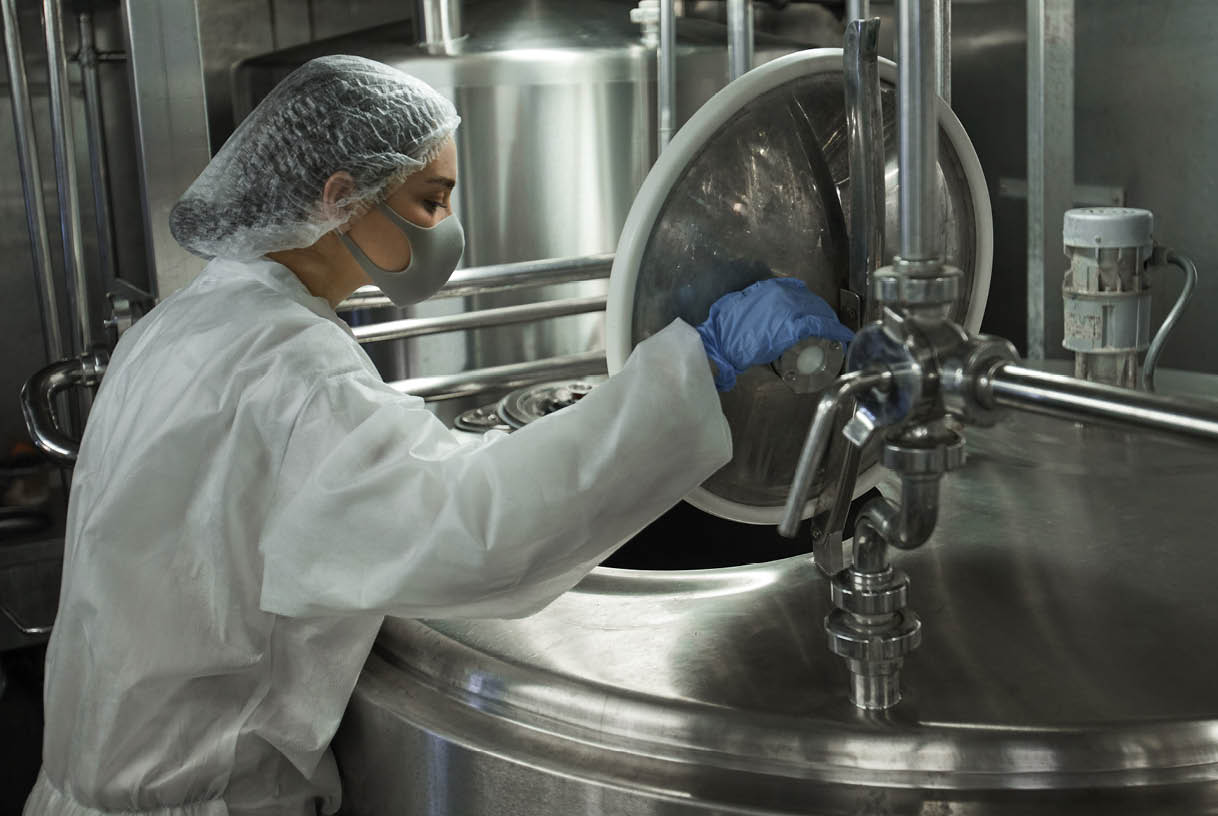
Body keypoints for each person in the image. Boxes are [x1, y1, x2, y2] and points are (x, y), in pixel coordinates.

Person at [24, 56, 854, 815]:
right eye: (430, 201)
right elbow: (477, 529)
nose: (446, 230)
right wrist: (699, 359)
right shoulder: (290, 371)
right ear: (339, 194)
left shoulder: (190, 324)